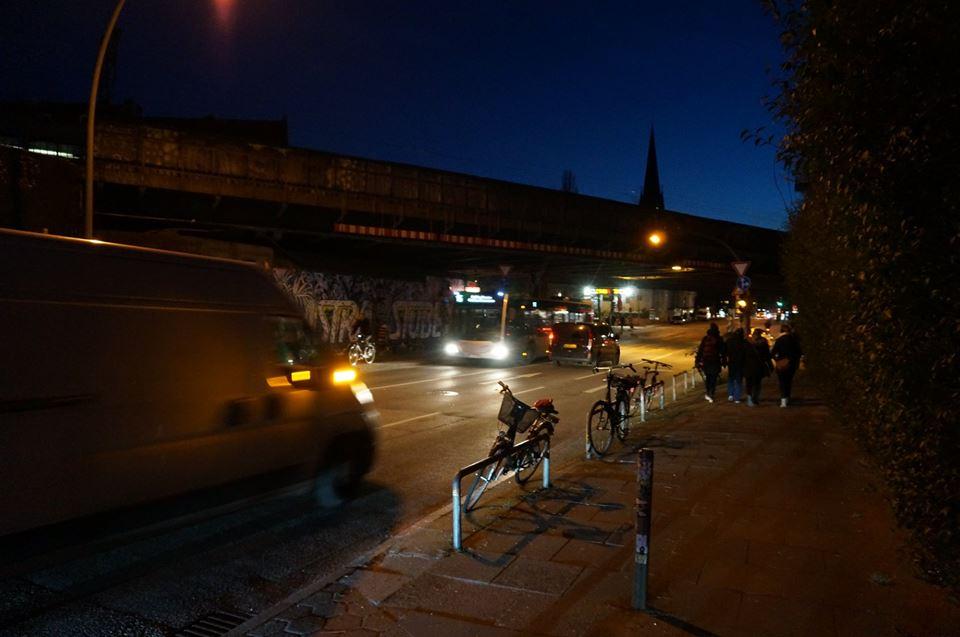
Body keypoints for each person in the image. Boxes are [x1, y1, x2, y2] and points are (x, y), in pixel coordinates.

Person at [771, 323, 803, 407]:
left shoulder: (779, 340)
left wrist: (777, 359)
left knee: (782, 382)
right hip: (792, 364)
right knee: (789, 381)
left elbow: (773, 352)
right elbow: (799, 352)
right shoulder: (794, 340)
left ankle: (783, 400)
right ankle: (787, 397)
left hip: (781, 363)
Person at [695, 322, 726, 403]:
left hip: (706, 361)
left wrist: (697, 361)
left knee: (708, 377)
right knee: (714, 378)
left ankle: (708, 391)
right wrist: (724, 361)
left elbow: (700, 350)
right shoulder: (719, 338)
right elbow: (723, 351)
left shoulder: (705, 338)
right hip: (715, 361)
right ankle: (712, 392)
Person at [743, 327, 772, 406]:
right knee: (757, 383)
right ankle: (755, 398)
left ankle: (749, 399)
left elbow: (743, 355)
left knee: (749, 383)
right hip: (759, 366)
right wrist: (770, 366)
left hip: (748, 366)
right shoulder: (763, 342)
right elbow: (767, 356)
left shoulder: (747, 343)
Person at [724, 328, 746, 403]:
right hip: (740, 363)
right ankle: (737, 398)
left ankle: (730, 395)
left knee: (731, 378)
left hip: (732, 362)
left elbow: (725, 351)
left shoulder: (729, 341)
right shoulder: (743, 342)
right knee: (739, 380)